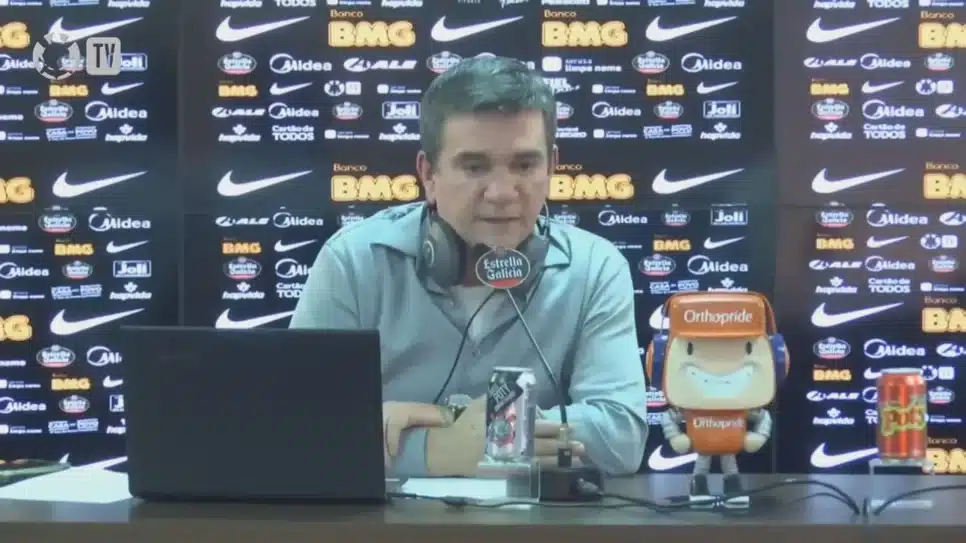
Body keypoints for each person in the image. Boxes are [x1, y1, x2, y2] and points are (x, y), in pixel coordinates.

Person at [290, 56, 647, 476]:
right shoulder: (354, 261)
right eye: (474, 167)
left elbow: (620, 438)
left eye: (524, 165)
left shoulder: (595, 268)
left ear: (552, 167)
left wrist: (465, 428)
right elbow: (298, 432)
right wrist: (438, 452)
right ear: (429, 174)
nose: (502, 192)